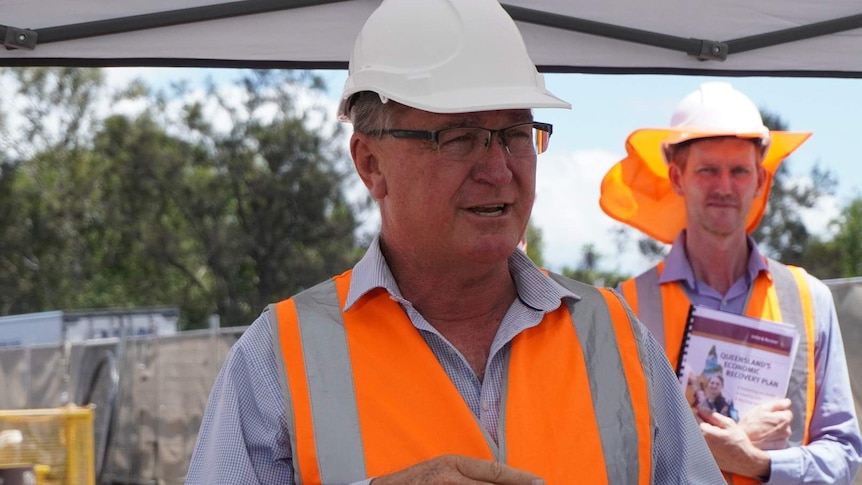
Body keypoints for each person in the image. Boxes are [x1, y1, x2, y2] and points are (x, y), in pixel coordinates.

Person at [185, 1, 725, 484]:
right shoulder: (278, 358)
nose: (497, 169)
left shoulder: (615, 338)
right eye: (458, 137)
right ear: (370, 164)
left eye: (515, 134)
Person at [601, 81, 862, 484]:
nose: (724, 187)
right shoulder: (627, 307)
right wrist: (728, 438)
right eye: (708, 170)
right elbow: (614, 458)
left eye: (739, 171)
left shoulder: (811, 300)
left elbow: (845, 455)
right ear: (677, 177)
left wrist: (758, 461)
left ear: (759, 180)